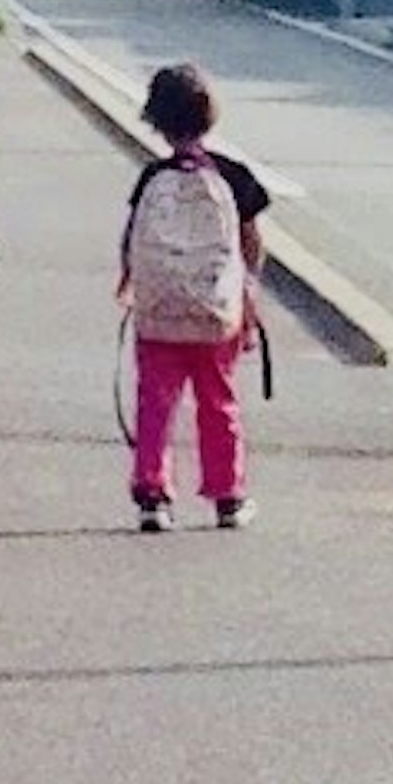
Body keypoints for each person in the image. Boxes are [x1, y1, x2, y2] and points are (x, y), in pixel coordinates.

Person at [120, 60, 268, 535]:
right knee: (218, 401)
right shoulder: (233, 177)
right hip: (214, 312)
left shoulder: (151, 177)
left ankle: (153, 495)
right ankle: (227, 496)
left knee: (156, 401)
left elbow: (131, 241)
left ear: (156, 122)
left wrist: (132, 284)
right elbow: (251, 243)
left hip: (160, 314)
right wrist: (245, 291)